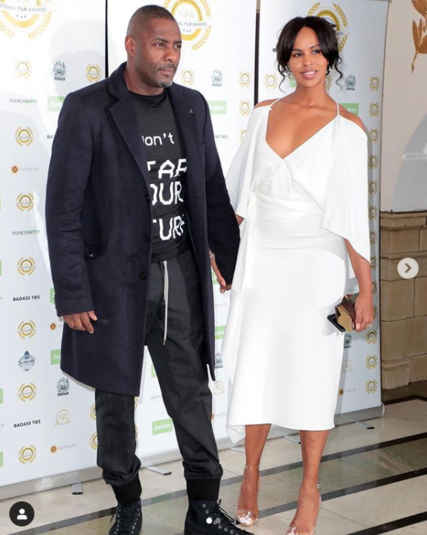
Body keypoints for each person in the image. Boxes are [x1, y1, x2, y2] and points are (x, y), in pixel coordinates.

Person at [46, 6, 252, 535]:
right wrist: (73, 293)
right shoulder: (88, 108)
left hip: (179, 274)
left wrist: (233, 263)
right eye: (161, 44)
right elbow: (63, 209)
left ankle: (203, 508)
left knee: (192, 392)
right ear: (132, 45)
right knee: (115, 399)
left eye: (177, 45)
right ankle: (127, 502)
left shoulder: (192, 106)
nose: (171, 56)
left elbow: (211, 191)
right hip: (111, 285)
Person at [220, 16, 374, 535]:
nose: (307, 62)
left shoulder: (348, 129)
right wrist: (222, 254)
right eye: (297, 53)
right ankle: (251, 474)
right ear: (285, 59)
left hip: (317, 266)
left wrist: (365, 288)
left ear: (330, 57)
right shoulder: (263, 114)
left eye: (316, 52)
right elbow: (237, 197)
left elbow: (352, 218)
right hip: (263, 259)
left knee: (312, 377)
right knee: (257, 368)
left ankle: (310, 489)